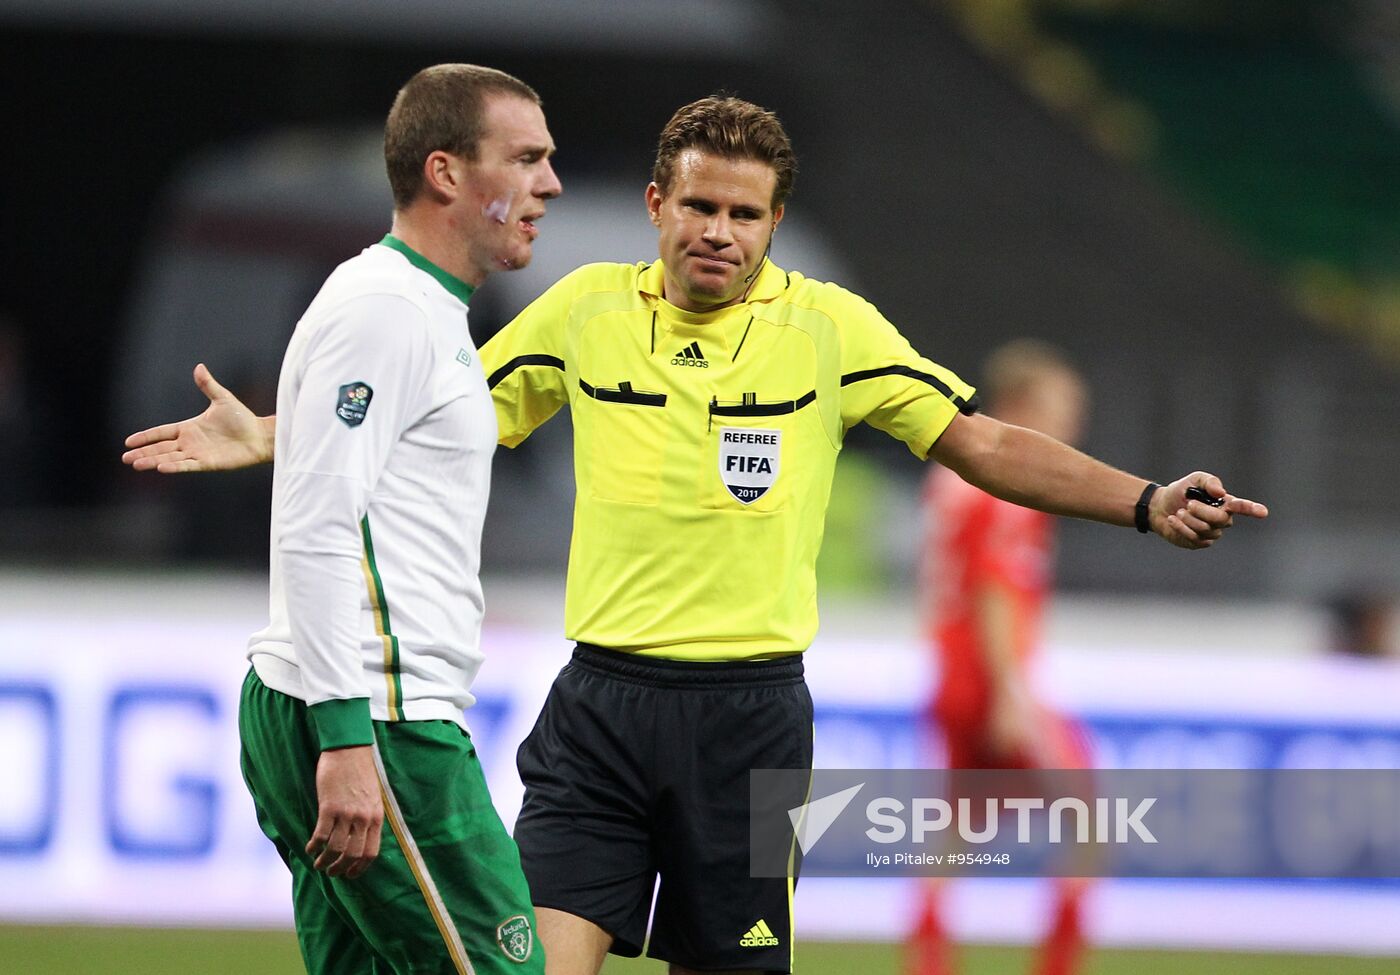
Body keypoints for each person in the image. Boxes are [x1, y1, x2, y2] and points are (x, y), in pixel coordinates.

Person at [124, 95, 1268, 975]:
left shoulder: (829, 329)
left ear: (772, 222)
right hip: (599, 719)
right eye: (700, 206)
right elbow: (430, 414)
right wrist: (280, 435)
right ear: (656, 207)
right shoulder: (581, 316)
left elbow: (977, 442)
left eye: (744, 213)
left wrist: (1142, 497)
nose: (718, 233)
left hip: (752, 726)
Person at [127, 64, 561, 974]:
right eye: (524, 159)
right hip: (382, 717)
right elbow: (320, 525)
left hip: (340, 706)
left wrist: (276, 433)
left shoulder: (401, 303)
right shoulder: (388, 311)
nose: (548, 184)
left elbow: (364, 465)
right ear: (446, 173)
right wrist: (347, 739)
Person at [908, 340, 1093, 975]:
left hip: (950, 674)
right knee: (1091, 820)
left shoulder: (950, 477)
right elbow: (994, 588)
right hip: (991, 681)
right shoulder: (1007, 483)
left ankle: (926, 963)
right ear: (1019, 407)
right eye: (1062, 409)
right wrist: (1012, 693)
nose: (1072, 427)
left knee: (955, 836)